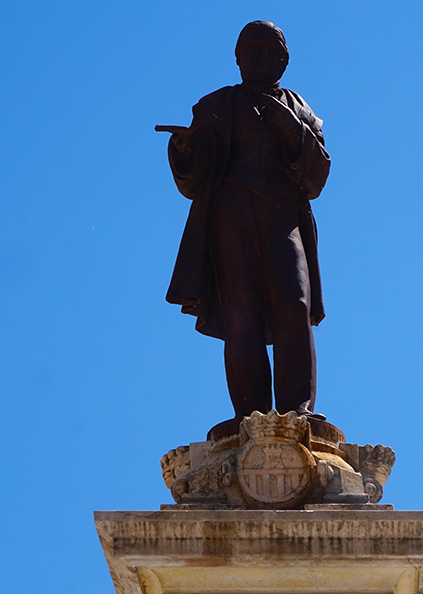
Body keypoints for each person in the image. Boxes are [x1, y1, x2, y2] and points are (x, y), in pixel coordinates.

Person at [165, 21, 331, 422]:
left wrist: (292, 130)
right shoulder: (215, 106)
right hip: (232, 213)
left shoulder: (300, 109)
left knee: (294, 303)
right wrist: (184, 152)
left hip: (282, 214)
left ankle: (298, 410)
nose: (254, 55)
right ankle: (250, 415)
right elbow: (193, 180)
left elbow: (318, 176)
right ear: (236, 58)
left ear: (282, 60)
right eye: (247, 49)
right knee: (242, 312)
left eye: (263, 48)